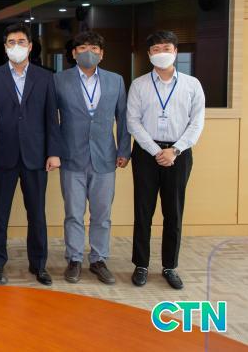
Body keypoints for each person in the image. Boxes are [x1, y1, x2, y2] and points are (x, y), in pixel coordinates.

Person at [0, 23, 62, 286]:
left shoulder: (46, 76)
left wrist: (53, 152)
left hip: (36, 155)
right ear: (5, 47)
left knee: (37, 214)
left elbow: (51, 118)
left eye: (21, 42)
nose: (16, 46)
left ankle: (39, 265)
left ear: (30, 46)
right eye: (11, 42)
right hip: (2, 154)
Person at [127, 30, 205, 290]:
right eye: (156, 49)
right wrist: (155, 151)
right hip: (146, 154)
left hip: (178, 155)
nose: (162, 53)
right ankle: (141, 264)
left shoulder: (192, 85)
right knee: (143, 210)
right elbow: (132, 121)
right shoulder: (139, 85)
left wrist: (175, 150)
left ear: (176, 51)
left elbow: (197, 123)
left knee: (174, 212)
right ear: (149, 54)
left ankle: (170, 266)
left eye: (166, 48)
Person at [54, 31, 131, 285]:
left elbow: (123, 117)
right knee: (73, 213)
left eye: (95, 48)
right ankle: (74, 259)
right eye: (83, 48)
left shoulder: (115, 80)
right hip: (71, 156)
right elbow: (50, 119)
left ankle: (98, 259)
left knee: (102, 214)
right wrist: (53, 151)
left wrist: (123, 150)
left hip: (105, 156)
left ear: (102, 54)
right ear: (74, 53)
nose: (89, 52)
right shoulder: (59, 80)